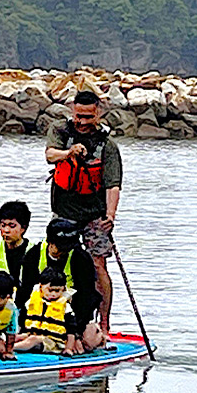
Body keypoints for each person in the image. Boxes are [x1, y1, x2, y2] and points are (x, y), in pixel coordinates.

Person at [45, 90, 123, 341]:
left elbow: (113, 184)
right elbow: (49, 155)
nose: (83, 122)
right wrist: (68, 153)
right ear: (72, 111)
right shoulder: (61, 131)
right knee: (55, 261)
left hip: (95, 214)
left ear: (97, 113)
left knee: (98, 265)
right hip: (64, 211)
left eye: (89, 117)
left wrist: (110, 215)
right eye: (79, 116)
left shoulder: (107, 146)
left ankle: (105, 323)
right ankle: (50, 318)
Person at [19, 218, 104, 351]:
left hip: (72, 316)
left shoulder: (81, 258)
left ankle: (98, 336)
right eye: (60, 248)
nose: (63, 252)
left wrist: (75, 335)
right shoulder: (33, 256)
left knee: (88, 343)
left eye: (67, 248)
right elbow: (24, 294)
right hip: (38, 320)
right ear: (50, 243)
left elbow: (87, 298)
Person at [14, 267, 81, 355]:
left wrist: (69, 348)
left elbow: (71, 331)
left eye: (57, 291)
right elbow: (21, 321)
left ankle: (11, 348)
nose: (53, 294)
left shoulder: (65, 307)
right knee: (19, 337)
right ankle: (5, 345)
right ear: (41, 286)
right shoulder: (31, 302)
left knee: (33, 340)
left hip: (54, 342)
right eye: (50, 290)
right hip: (33, 335)